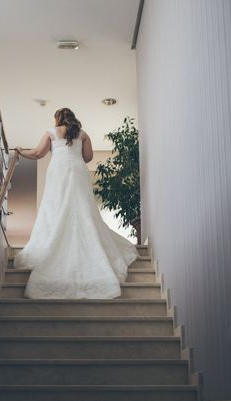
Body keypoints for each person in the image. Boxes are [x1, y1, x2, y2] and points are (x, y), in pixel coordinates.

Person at [13, 107, 138, 299]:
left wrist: (21, 152)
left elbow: (38, 153)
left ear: (57, 119)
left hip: (59, 171)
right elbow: (88, 157)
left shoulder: (51, 132)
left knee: (56, 206)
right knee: (82, 208)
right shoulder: (83, 134)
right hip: (78, 171)